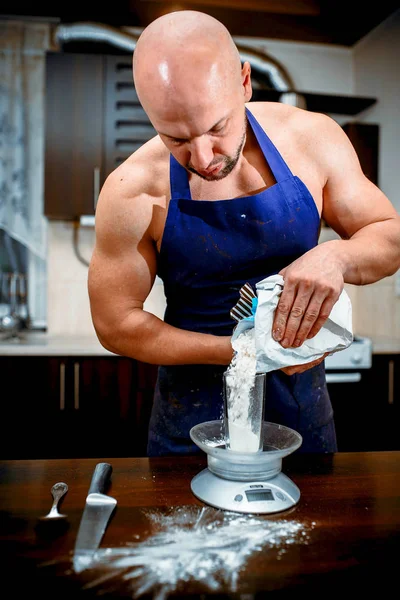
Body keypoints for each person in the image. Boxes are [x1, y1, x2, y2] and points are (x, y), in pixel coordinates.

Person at [88, 10, 400, 456]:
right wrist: (243, 351)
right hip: (190, 424)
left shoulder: (313, 139)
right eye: (174, 138)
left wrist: (334, 257)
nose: (202, 157)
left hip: (300, 414)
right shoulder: (130, 189)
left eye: (217, 127)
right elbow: (115, 325)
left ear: (245, 82)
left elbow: (389, 236)